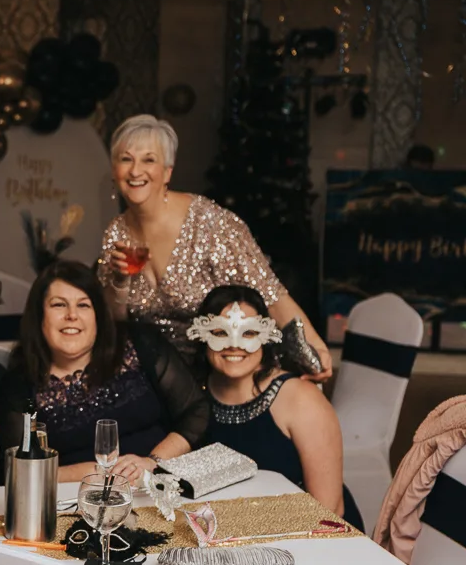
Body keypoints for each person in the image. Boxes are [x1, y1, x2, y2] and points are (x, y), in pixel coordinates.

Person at [97, 114, 330, 378]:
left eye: (148, 160)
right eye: (126, 159)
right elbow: (114, 320)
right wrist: (120, 281)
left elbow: (270, 293)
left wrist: (317, 347)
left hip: (218, 372)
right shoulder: (115, 232)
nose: (135, 171)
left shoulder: (208, 222)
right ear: (114, 171)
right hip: (149, 374)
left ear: (167, 171)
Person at [0, 261, 208, 484]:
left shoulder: (139, 343)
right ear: (39, 317)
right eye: (59, 305)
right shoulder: (18, 385)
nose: (72, 315)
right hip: (74, 497)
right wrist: (98, 472)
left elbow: (197, 412)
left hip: (158, 486)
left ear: (98, 314)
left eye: (83, 305)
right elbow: (18, 470)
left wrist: (153, 462)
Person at [189, 285, 363, 530]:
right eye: (220, 332)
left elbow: (330, 508)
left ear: (267, 337)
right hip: (225, 534)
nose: (234, 345)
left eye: (249, 333)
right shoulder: (191, 393)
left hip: (313, 533)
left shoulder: (300, 399)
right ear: (202, 335)